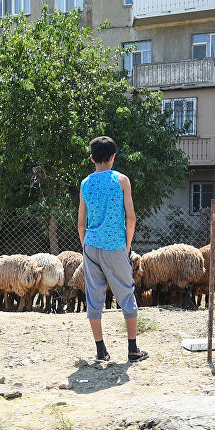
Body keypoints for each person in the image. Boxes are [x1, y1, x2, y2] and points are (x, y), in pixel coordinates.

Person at [77, 136, 147, 363]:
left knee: (94, 298)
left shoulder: (85, 183)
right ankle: (133, 349)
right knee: (126, 296)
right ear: (113, 157)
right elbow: (132, 218)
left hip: (91, 245)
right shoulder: (122, 180)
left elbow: (80, 223)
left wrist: (85, 246)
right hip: (115, 246)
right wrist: (126, 246)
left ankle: (100, 350)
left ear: (92, 159)